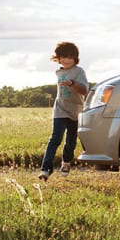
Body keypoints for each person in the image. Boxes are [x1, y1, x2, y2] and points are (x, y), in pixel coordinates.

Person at [39, 42, 89, 181]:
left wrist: (72, 84)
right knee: (55, 138)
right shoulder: (59, 72)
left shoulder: (79, 72)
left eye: (69, 57)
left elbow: (85, 91)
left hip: (75, 110)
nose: (66, 60)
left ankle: (66, 162)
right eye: (63, 57)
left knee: (71, 140)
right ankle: (45, 169)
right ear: (58, 58)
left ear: (75, 58)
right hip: (60, 109)